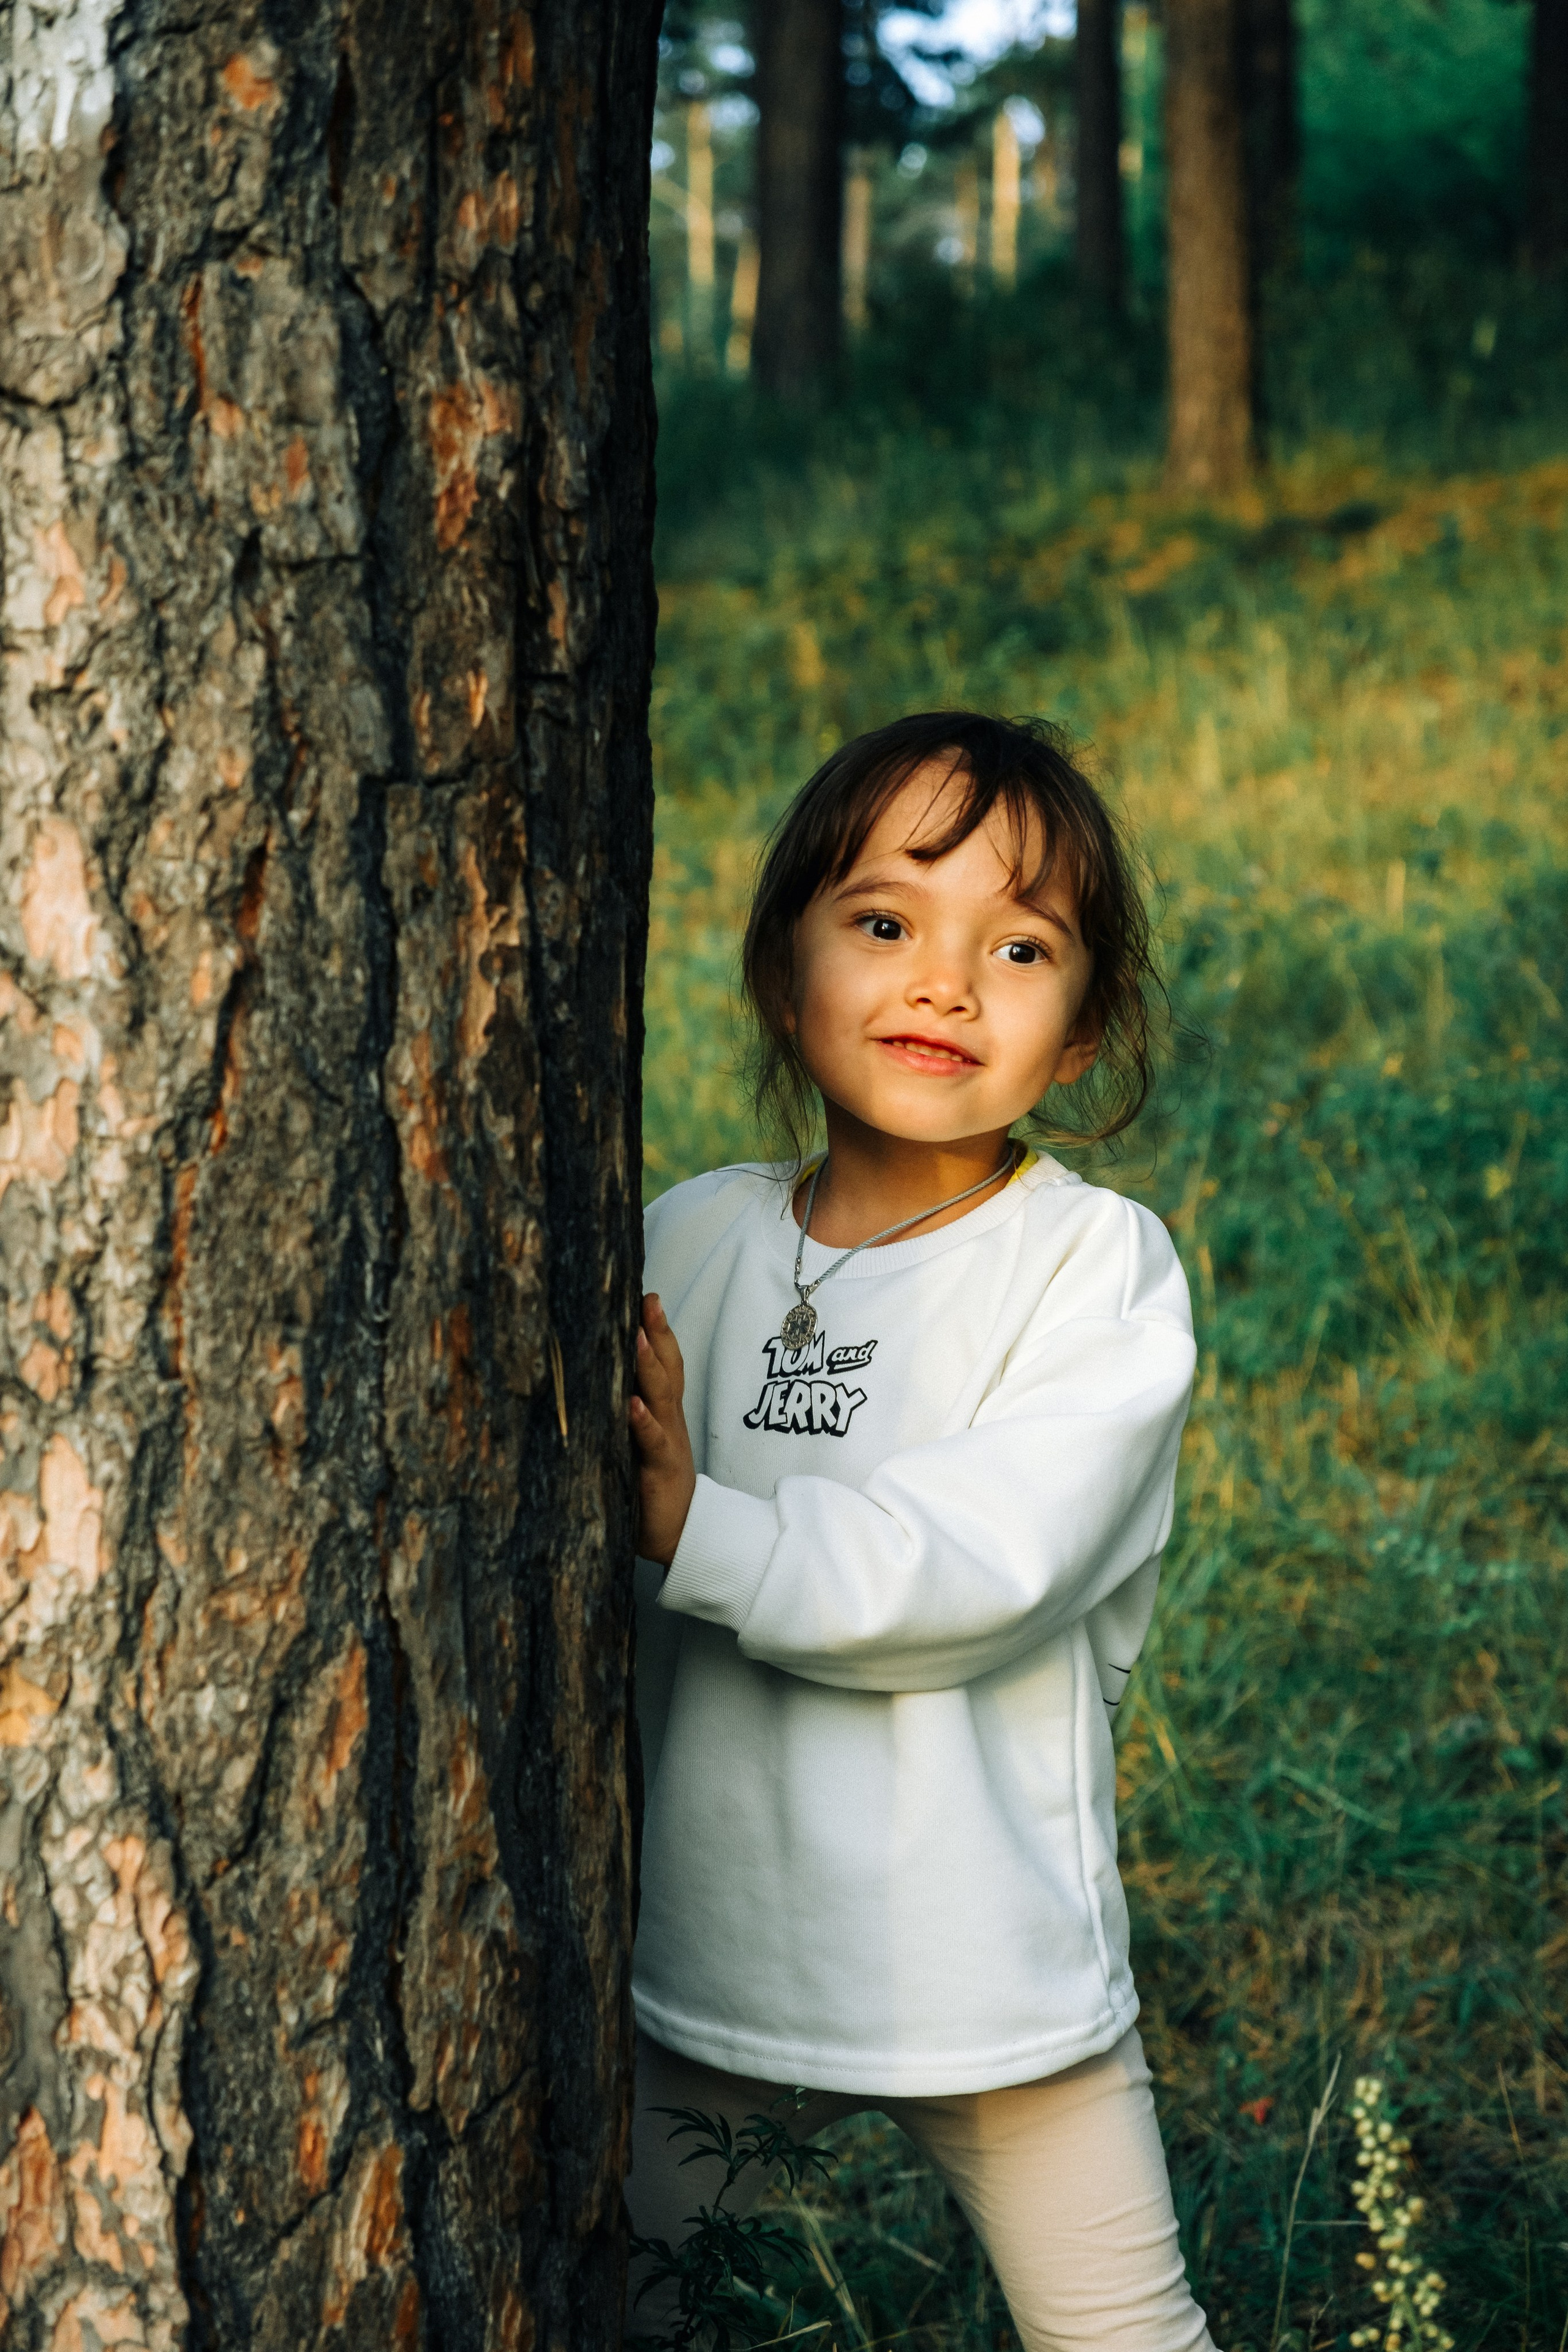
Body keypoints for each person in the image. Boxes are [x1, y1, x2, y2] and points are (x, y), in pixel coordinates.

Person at [627, 711, 1215, 2352]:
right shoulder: (691, 1239)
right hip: (710, 1952)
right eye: (885, 924)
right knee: (601, 2296)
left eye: (1018, 948)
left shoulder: (1092, 1274)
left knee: (1125, 2336)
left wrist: (703, 1528)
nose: (944, 983)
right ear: (782, 966)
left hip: (991, 1971)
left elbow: (979, 1561)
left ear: (1082, 1033)